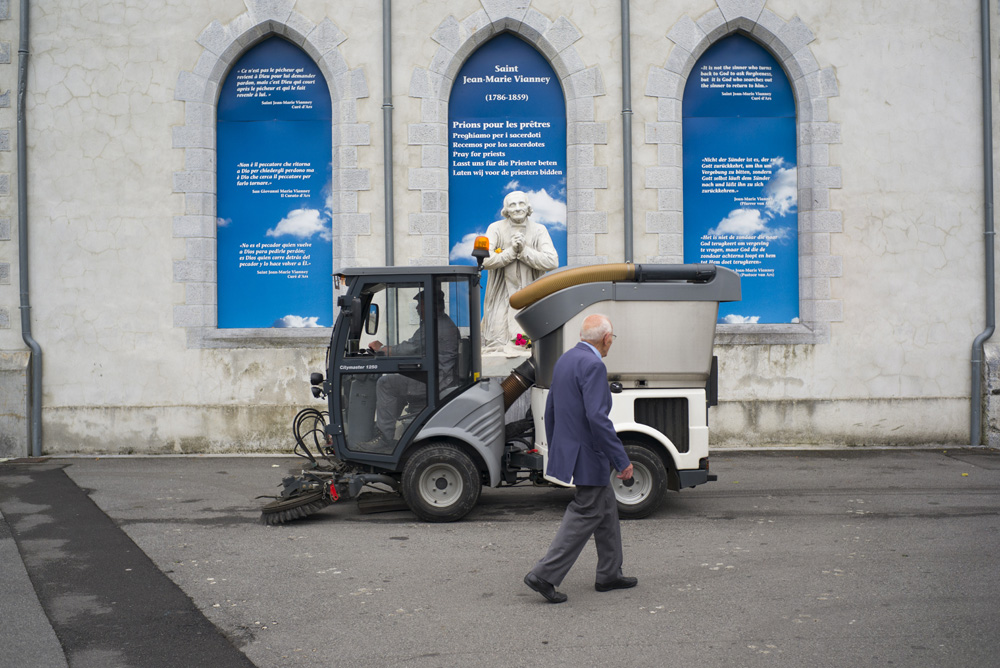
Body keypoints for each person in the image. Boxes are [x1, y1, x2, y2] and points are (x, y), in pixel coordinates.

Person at [524, 313, 635, 604]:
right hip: (590, 453)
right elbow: (598, 419)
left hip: (573, 449)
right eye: (612, 339)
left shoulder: (567, 359)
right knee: (586, 510)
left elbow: (551, 410)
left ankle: (609, 573)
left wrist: (558, 445)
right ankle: (544, 575)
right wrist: (622, 460)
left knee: (606, 508)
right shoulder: (594, 364)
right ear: (606, 339)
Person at [362, 289, 460, 452]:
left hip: (435, 380)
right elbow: (415, 348)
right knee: (395, 382)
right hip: (437, 376)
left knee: (385, 383)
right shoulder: (438, 323)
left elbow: (409, 349)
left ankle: (385, 438)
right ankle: (386, 430)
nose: (416, 309)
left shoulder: (436, 325)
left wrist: (383, 348)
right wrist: (390, 350)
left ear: (430, 306)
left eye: (419, 305)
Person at [480, 191, 559, 352]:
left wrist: (523, 251)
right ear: (506, 210)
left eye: (521, 203)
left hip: (531, 295)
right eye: (512, 205)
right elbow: (484, 260)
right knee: (496, 340)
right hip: (501, 296)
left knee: (528, 342)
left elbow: (552, 261)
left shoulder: (539, 230)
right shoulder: (495, 228)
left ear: (528, 207)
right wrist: (511, 251)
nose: (517, 208)